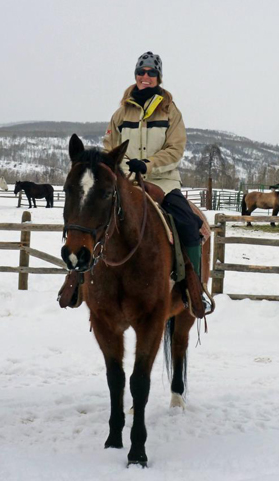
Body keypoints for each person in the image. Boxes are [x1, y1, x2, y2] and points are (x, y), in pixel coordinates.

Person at [103, 51, 212, 315]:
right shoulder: (121, 113)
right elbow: (110, 146)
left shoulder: (170, 111)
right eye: (141, 72)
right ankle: (82, 282)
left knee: (188, 224)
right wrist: (126, 166)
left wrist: (148, 164)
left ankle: (193, 289)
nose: (145, 77)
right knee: (93, 218)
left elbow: (176, 149)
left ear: (158, 77)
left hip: (163, 182)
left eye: (151, 73)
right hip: (127, 181)